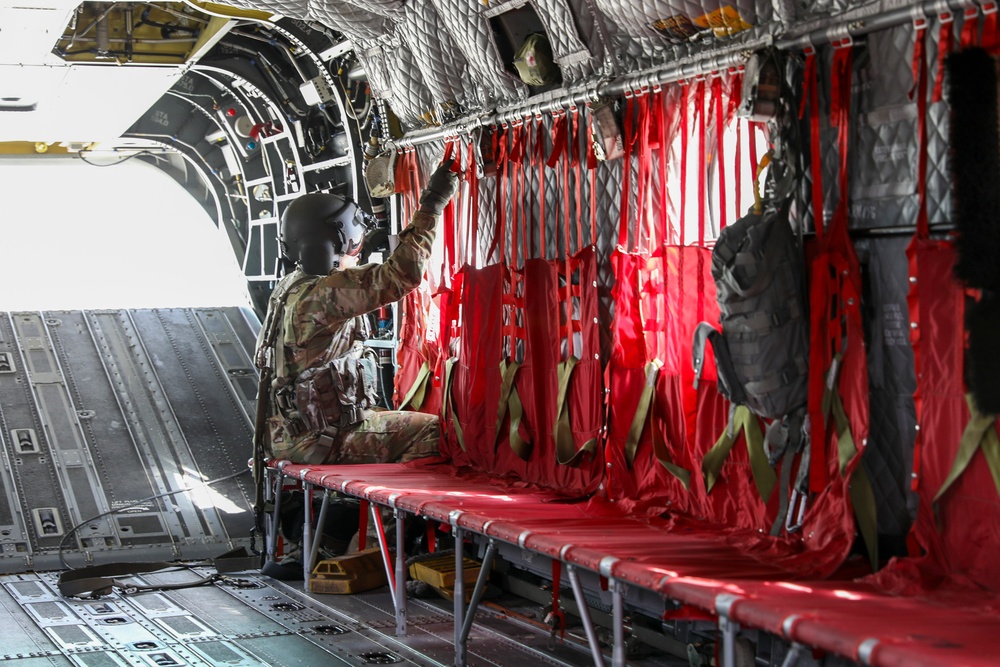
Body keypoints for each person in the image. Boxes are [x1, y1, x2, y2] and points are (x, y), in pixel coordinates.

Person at [253, 160, 459, 467]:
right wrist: (432, 204)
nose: (357, 250)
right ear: (338, 241)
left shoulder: (291, 288)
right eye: (355, 241)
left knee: (388, 416)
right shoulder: (324, 294)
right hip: (320, 439)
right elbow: (400, 276)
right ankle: (394, 516)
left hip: (288, 436)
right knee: (429, 430)